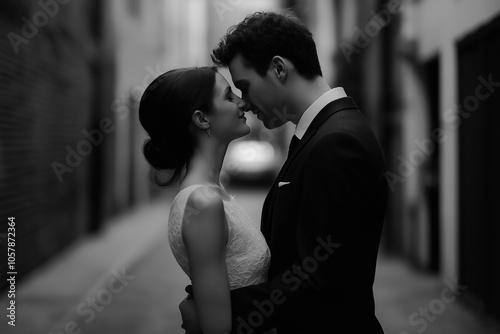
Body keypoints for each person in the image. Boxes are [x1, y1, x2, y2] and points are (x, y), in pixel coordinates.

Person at [180, 11, 388, 333]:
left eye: (246, 87)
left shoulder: (338, 142)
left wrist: (217, 310)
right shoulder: (321, 134)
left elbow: (319, 285)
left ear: (279, 68)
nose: (245, 103)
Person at [139, 67, 275, 334]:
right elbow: (217, 329)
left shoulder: (212, 193)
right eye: (228, 96)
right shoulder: (203, 201)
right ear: (202, 119)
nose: (242, 101)